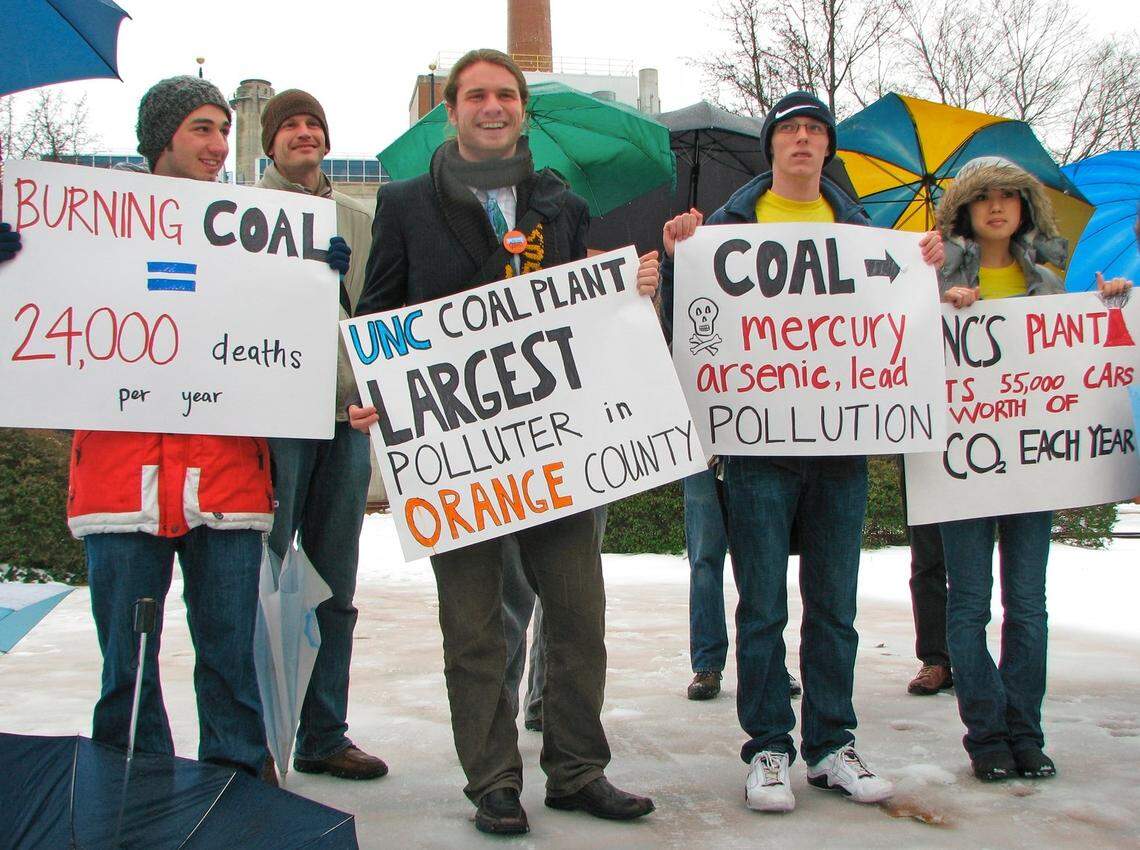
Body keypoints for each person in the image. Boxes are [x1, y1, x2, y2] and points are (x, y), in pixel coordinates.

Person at [350, 49, 659, 835]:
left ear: (522, 109)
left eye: (506, 95)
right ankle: (491, 779)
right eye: (477, 95)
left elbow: (577, 318)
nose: (493, 107)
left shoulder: (560, 203)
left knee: (577, 613)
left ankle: (578, 770)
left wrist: (621, 294)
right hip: (460, 457)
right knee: (475, 623)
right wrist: (376, 394)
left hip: (553, 446)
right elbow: (378, 311)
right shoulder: (406, 204)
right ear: (450, 112)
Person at [1, 76, 338, 781]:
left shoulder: (257, 228)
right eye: (201, 129)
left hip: (226, 483)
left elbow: (290, 349)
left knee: (229, 664)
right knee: (126, 669)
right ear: (162, 139)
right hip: (122, 486)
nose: (219, 145)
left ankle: (239, 792)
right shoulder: (84, 227)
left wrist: (315, 280)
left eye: (223, 128)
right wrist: (18, 265)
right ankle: (132, 790)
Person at [659, 91, 945, 813]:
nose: (804, 140)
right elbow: (691, 336)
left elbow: (904, 333)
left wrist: (931, 267)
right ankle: (767, 749)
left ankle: (831, 744)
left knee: (835, 606)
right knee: (760, 607)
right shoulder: (724, 231)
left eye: (816, 130)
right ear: (772, 145)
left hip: (842, 447)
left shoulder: (866, 234)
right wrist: (677, 260)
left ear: (828, 149)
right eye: (790, 130)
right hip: (756, 452)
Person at [936, 156, 1131, 781]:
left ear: (1025, 209)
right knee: (967, 607)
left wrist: (1108, 306)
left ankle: (1027, 733)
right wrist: (939, 306)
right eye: (984, 197)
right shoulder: (932, 281)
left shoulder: (1052, 286)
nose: (997, 206)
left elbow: (1077, 364)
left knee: (1028, 605)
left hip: (1031, 470)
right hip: (960, 473)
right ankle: (987, 735)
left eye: (1010, 196)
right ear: (965, 209)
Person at [256, 89, 387, 780]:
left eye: (314, 124)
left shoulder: (357, 221)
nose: (304, 134)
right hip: (273, 422)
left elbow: (379, 315)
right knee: (268, 578)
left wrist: (373, 391)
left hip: (343, 421)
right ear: (270, 142)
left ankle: (323, 731)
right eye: (290, 126)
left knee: (334, 583)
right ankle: (261, 733)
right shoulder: (235, 214)